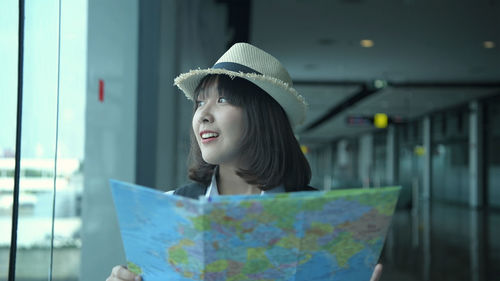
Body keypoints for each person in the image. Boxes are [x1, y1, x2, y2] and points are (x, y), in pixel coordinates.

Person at [106, 42, 383, 281]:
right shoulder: (166, 211)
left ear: (262, 117)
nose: (203, 114)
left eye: (223, 99)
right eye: (200, 102)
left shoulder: (324, 221)